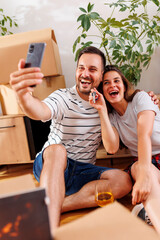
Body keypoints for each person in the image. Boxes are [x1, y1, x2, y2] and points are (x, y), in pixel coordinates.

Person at [10, 46, 158, 236]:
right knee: (57, 150)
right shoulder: (63, 97)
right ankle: (46, 229)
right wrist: (23, 96)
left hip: (83, 171)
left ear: (101, 75)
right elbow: (39, 111)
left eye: (93, 69)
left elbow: (113, 146)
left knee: (123, 181)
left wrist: (103, 110)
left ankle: (58, 205)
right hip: (54, 163)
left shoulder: (106, 104)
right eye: (81, 68)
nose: (85, 74)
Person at [89, 65, 160, 234]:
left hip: (149, 159)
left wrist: (143, 176)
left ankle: (146, 210)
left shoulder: (141, 98)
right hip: (145, 162)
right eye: (106, 83)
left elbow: (144, 134)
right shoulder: (112, 117)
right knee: (138, 168)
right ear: (102, 91)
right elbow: (112, 148)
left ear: (124, 85)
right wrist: (102, 111)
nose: (112, 85)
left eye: (116, 81)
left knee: (143, 172)